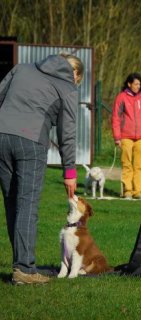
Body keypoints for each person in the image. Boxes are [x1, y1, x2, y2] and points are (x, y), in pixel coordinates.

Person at [0, 53, 84, 284]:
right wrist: (70, 172)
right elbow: (67, 133)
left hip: (1, 136)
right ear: (74, 74)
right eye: (78, 80)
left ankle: (20, 263)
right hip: (30, 143)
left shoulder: (22, 68)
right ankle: (25, 270)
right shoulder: (67, 87)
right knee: (27, 204)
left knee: (12, 201)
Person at [112, 73, 141, 200]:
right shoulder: (121, 97)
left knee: (140, 164)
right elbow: (116, 118)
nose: (138, 86)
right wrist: (117, 137)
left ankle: (139, 192)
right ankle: (128, 191)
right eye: (136, 84)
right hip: (125, 136)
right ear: (129, 84)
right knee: (127, 164)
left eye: (139, 84)